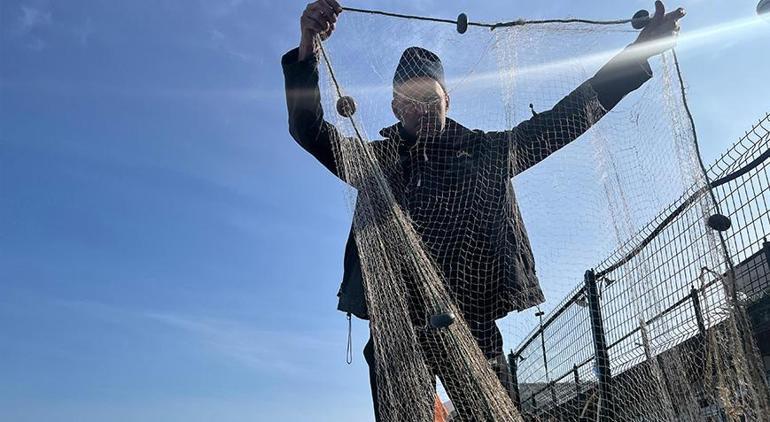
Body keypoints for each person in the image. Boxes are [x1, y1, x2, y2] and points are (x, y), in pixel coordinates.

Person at [282, 1, 685, 419]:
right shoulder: (376, 164)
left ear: (447, 100)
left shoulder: (487, 152)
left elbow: (566, 118)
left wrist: (639, 51)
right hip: (398, 328)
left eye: (430, 96)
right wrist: (308, 45)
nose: (421, 107)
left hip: (472, 322)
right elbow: (308, 129)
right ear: (395, 108)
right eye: (410, 99)